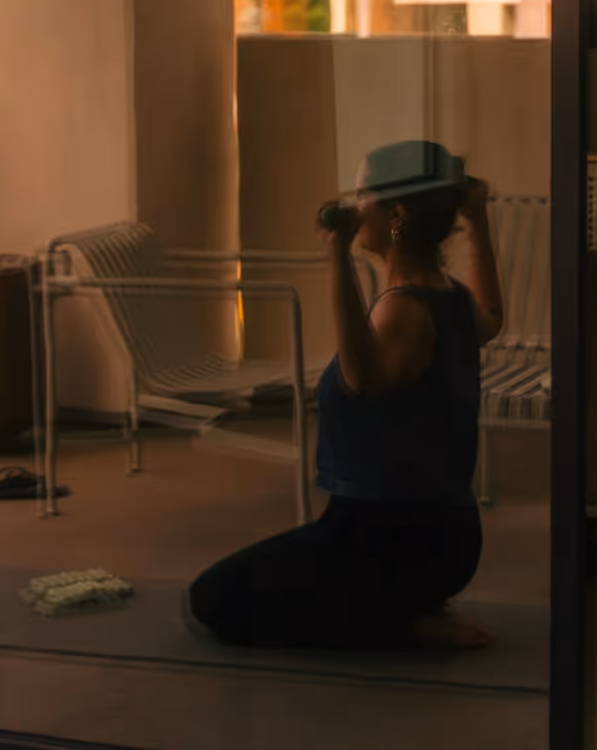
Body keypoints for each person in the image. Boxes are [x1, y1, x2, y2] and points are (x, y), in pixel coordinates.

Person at [187, 140, 503, 651]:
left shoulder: (402, 310)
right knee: (274, 574)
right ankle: (400, 606)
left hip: (389, 544)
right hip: (446, 542)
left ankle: (397, 626)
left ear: (396, 214)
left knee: (212, 599)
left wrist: (335, 253)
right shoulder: (452, 297)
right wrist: (480, 221)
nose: (355, 209)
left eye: (363, 197)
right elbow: (494, 317)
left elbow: (361, 379)